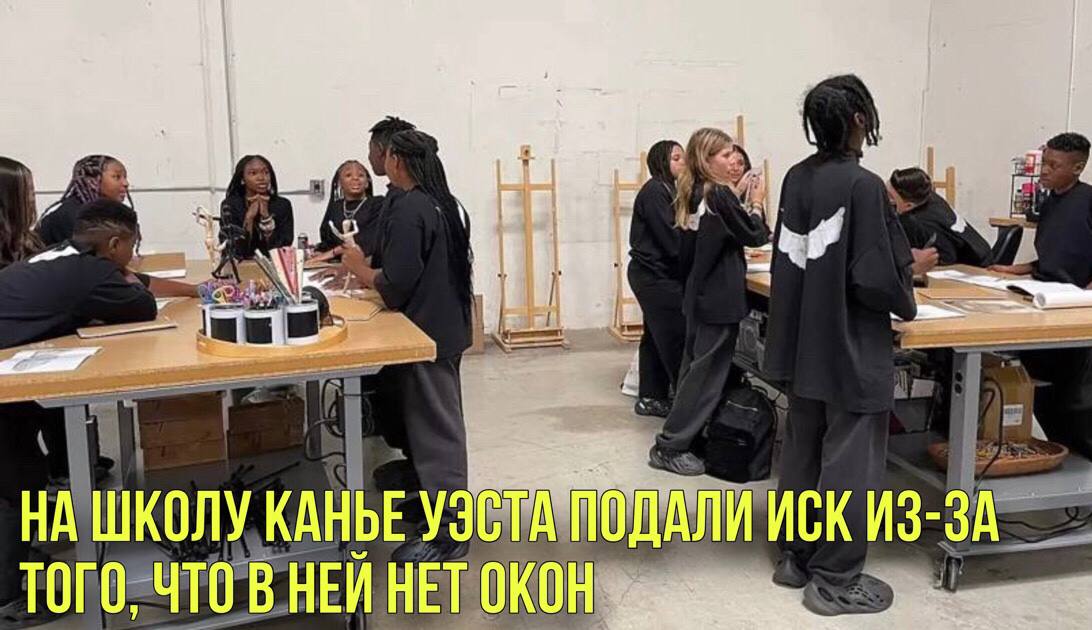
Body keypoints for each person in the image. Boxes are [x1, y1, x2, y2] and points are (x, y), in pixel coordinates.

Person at [765, 75, 936, 616]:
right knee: (850, 464)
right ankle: (835, 577)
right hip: (850, 344)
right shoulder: (864, 186)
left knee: (802, 449)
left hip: (801, 341)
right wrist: (908, 284)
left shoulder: (795, 177)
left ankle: (794, 557)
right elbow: (875, 277)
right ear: (860, 119)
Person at [0, 198, 156, 628]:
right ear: (115, 243)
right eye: (131, 247)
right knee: (16, 480)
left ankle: (14, 559)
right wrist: (126, 279)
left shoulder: (57, 254)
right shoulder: (93, 271)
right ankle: (8, 600)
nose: (132, 256)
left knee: (21, 467)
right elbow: (142, 306)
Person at [338, 129, 473, 563]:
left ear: (395, 160)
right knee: (428, 427)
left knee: (437, 433)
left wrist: (357, 266)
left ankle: (450, 532)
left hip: (427, 335)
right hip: (442, 327)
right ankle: (434, 503)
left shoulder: (412, 208)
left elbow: (396, 284)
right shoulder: (443, 201)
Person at [647, 128, 769, 475]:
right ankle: (672, 444)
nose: (733, 161)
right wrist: (756, 202)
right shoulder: (718, 195)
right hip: (718, 299)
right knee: (705, 378)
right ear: (707, 159)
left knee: (693, 372)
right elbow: (755, 233)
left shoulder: (693, 191)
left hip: (699, 295)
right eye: (726, 155)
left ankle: (686, 435)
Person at [990, 132, 1092, 459]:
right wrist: (1018, 270)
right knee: (1033, 375)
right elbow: (1054, 256)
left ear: (1077, 167)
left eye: (1053, 165)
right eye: (1044, 163)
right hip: (1045, 293)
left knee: (1068, 393)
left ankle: (1075, 450)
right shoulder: (1048, 203)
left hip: (1075, 304)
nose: (1044, 171)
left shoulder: (1088, 201)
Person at [627, 140, 685, 418]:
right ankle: (685, 403)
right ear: (662, 161)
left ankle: (652, 396)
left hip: (654, 274)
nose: (683, 163)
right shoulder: (655, 192)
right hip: (654, 275)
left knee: (655, 336)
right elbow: (672, 240)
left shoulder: (668, 189)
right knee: (674, 337)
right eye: (676, 158)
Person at [888, 167, 992, 267]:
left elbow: (946, 257)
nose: (886, 199)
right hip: (980, 250)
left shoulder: (915, 221)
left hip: (973, 265)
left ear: (908, 205)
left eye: (891, 197)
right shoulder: (927, 197)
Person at [36, 155, 131, 247]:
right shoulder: (71, 214)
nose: (126, 183)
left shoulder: (100, 213)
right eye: (117, 177)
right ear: (92, 181)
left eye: (125, 177)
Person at [220, 155, 294, 258]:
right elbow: (235, 250)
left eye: (266, 172)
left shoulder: (282, 205)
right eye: (253, 173)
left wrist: (266, 218)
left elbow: (283, 248)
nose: (261, 178)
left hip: (273, 265)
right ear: (242, 179)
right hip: (242, 265)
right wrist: (249, 218)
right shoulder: (230, 205)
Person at [312, 160, 385, 259]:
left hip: (368, 263)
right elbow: (328, 240)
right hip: (338, 264)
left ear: (367, 183)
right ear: (340, 183)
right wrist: (320, 252)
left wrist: (334, 252)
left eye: (361, 175)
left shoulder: (378, 204)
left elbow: (372, 241)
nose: (355, 178)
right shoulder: (336, 207)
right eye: (348, 175)